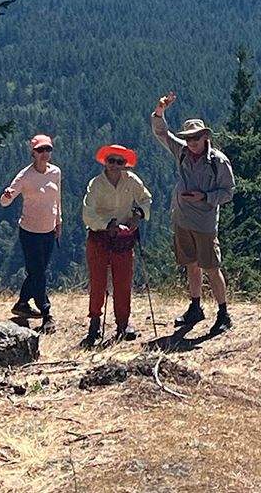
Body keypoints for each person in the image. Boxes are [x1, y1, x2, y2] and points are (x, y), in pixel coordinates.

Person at [151, 92, 237, 332]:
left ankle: (223, 313)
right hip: (182, 217)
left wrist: (206, 197)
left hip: (205, 222)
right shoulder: (182, 152)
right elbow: (161, 133)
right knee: (191, 263)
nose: (191, 142)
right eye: (188, 138)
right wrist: (159, 113)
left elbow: (229, 191)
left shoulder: (218, 161)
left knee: (211, 267)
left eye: (195, 138)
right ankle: (195, 307)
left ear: (205, 136)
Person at [81, 143, 151, 344]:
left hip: (122, 239)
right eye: (111, 161)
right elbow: (88, 214)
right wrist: (107, 225)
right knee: (98, 282)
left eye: (119, 162)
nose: (114, 165)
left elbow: (146, 199)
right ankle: (94, 323)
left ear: (125, 164)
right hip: (99, 238)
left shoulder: (132, 181)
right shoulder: (96, 184)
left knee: (123, 282)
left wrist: (139, 214)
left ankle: (123, 323)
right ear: (105, 162)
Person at [0, 133, 62, 329]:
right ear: (33, 152)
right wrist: (7, 196)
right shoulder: (25, 176)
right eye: (40, 150)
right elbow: (5, 202)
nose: (44, 153)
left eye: (47, 149)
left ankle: (22, 303)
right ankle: (46, 312)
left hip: (49, 230)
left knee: (38, 271)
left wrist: (59, 222)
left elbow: (57, 199)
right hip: (30, 231)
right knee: (39, 273)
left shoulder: (56, 172)